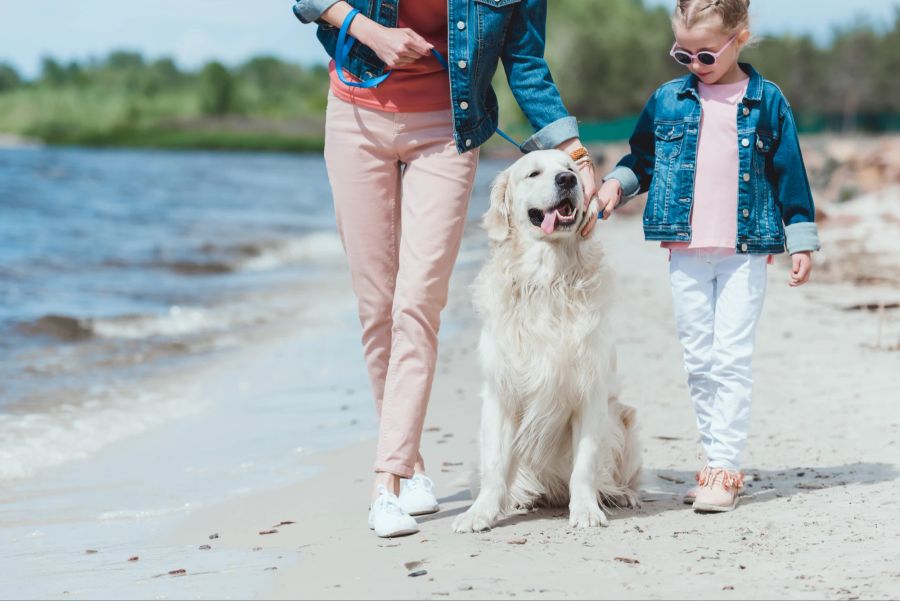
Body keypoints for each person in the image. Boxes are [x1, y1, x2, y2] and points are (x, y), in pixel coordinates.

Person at [293, 0, 607, 536]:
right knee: (377, 306)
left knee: (417, 304)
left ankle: (386, 484)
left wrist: (573, 153)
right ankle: (411, 464)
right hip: (356, 116)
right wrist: (371, 32)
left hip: (446, 130)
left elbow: (525, 61)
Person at [586, 0, 820, 512]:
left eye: (706, 55)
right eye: (682, 54)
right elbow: (642, 159)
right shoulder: (668, 100)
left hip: (745, 250)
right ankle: (714, 456)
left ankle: (723, 466)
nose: (693, 65)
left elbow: (789, 171)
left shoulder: (767, 101)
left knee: (731, 358)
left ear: (739, 38)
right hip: (686, 251)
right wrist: (613, 187)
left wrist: (800, 237)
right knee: (699, 360)